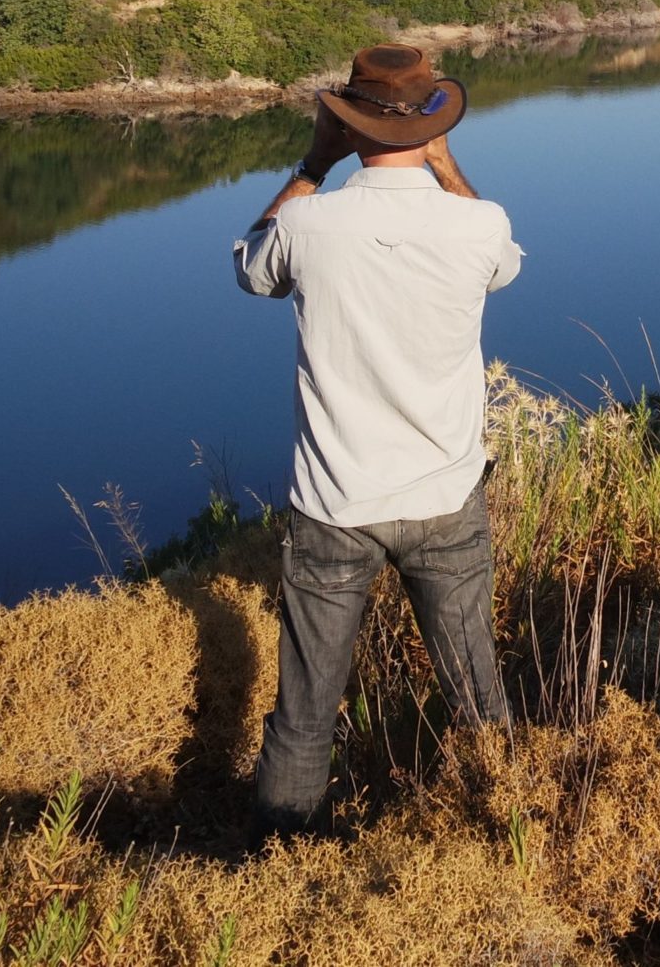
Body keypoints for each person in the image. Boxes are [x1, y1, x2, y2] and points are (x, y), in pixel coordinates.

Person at [232, 43, 521, 828]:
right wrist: (446, 166)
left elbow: (250, 269)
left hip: (335, 504)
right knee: (479, 698)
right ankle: (506, 835)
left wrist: (311, 166)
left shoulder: (307, 223)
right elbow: (503, 267)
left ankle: (278, 858)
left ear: (348, 125)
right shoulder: (480, 224)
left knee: (304, 716)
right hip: (445, 499)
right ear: (431, 126)